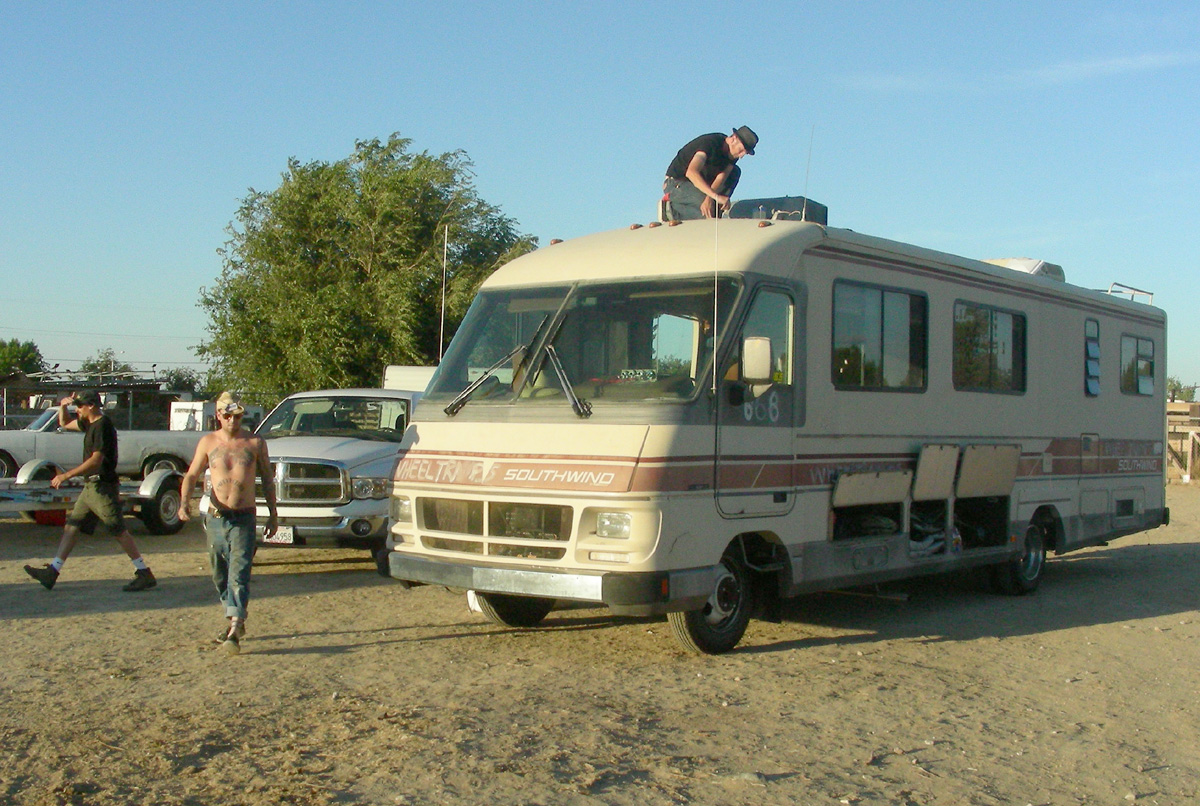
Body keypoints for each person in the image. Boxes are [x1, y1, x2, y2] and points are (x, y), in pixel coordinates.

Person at [23, 391, 157, 592]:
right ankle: (52, 571)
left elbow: (96, 461)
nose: (77, 410)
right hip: (91, 488)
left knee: (117, 529)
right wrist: (62, 406)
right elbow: (64, 423)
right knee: (72, 526)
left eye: (80, 406)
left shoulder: (102, 426)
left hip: (102, 487)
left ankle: (144, 572)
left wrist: (65, 476)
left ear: (92, 406)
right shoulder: (90, 423)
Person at [179, 391, 278, 655]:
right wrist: (183, 502)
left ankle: (236, 625)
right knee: (219, 571)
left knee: (240, 570)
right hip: (216, 516)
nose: (233, 420)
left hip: (244, 515)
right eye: (228, 415)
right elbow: (191, 474)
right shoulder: (208, 442)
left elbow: (267, 478)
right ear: (218, 416)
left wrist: (273, 513)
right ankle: (232, 613)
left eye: (238, 415)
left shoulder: (255, 442)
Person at [662, 126, 759, 220]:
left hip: (698, 185)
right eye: (741, 150)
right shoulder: (710, 143)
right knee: (703, 209)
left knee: (735, 172)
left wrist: (709, 199)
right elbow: (691, 172)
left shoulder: (733, 154)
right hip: (676, 182)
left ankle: (715, 215)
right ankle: (671, 208)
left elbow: (721, 178)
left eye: (744, 153)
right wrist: (715, 196)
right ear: (733, 138)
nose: (741, 156)